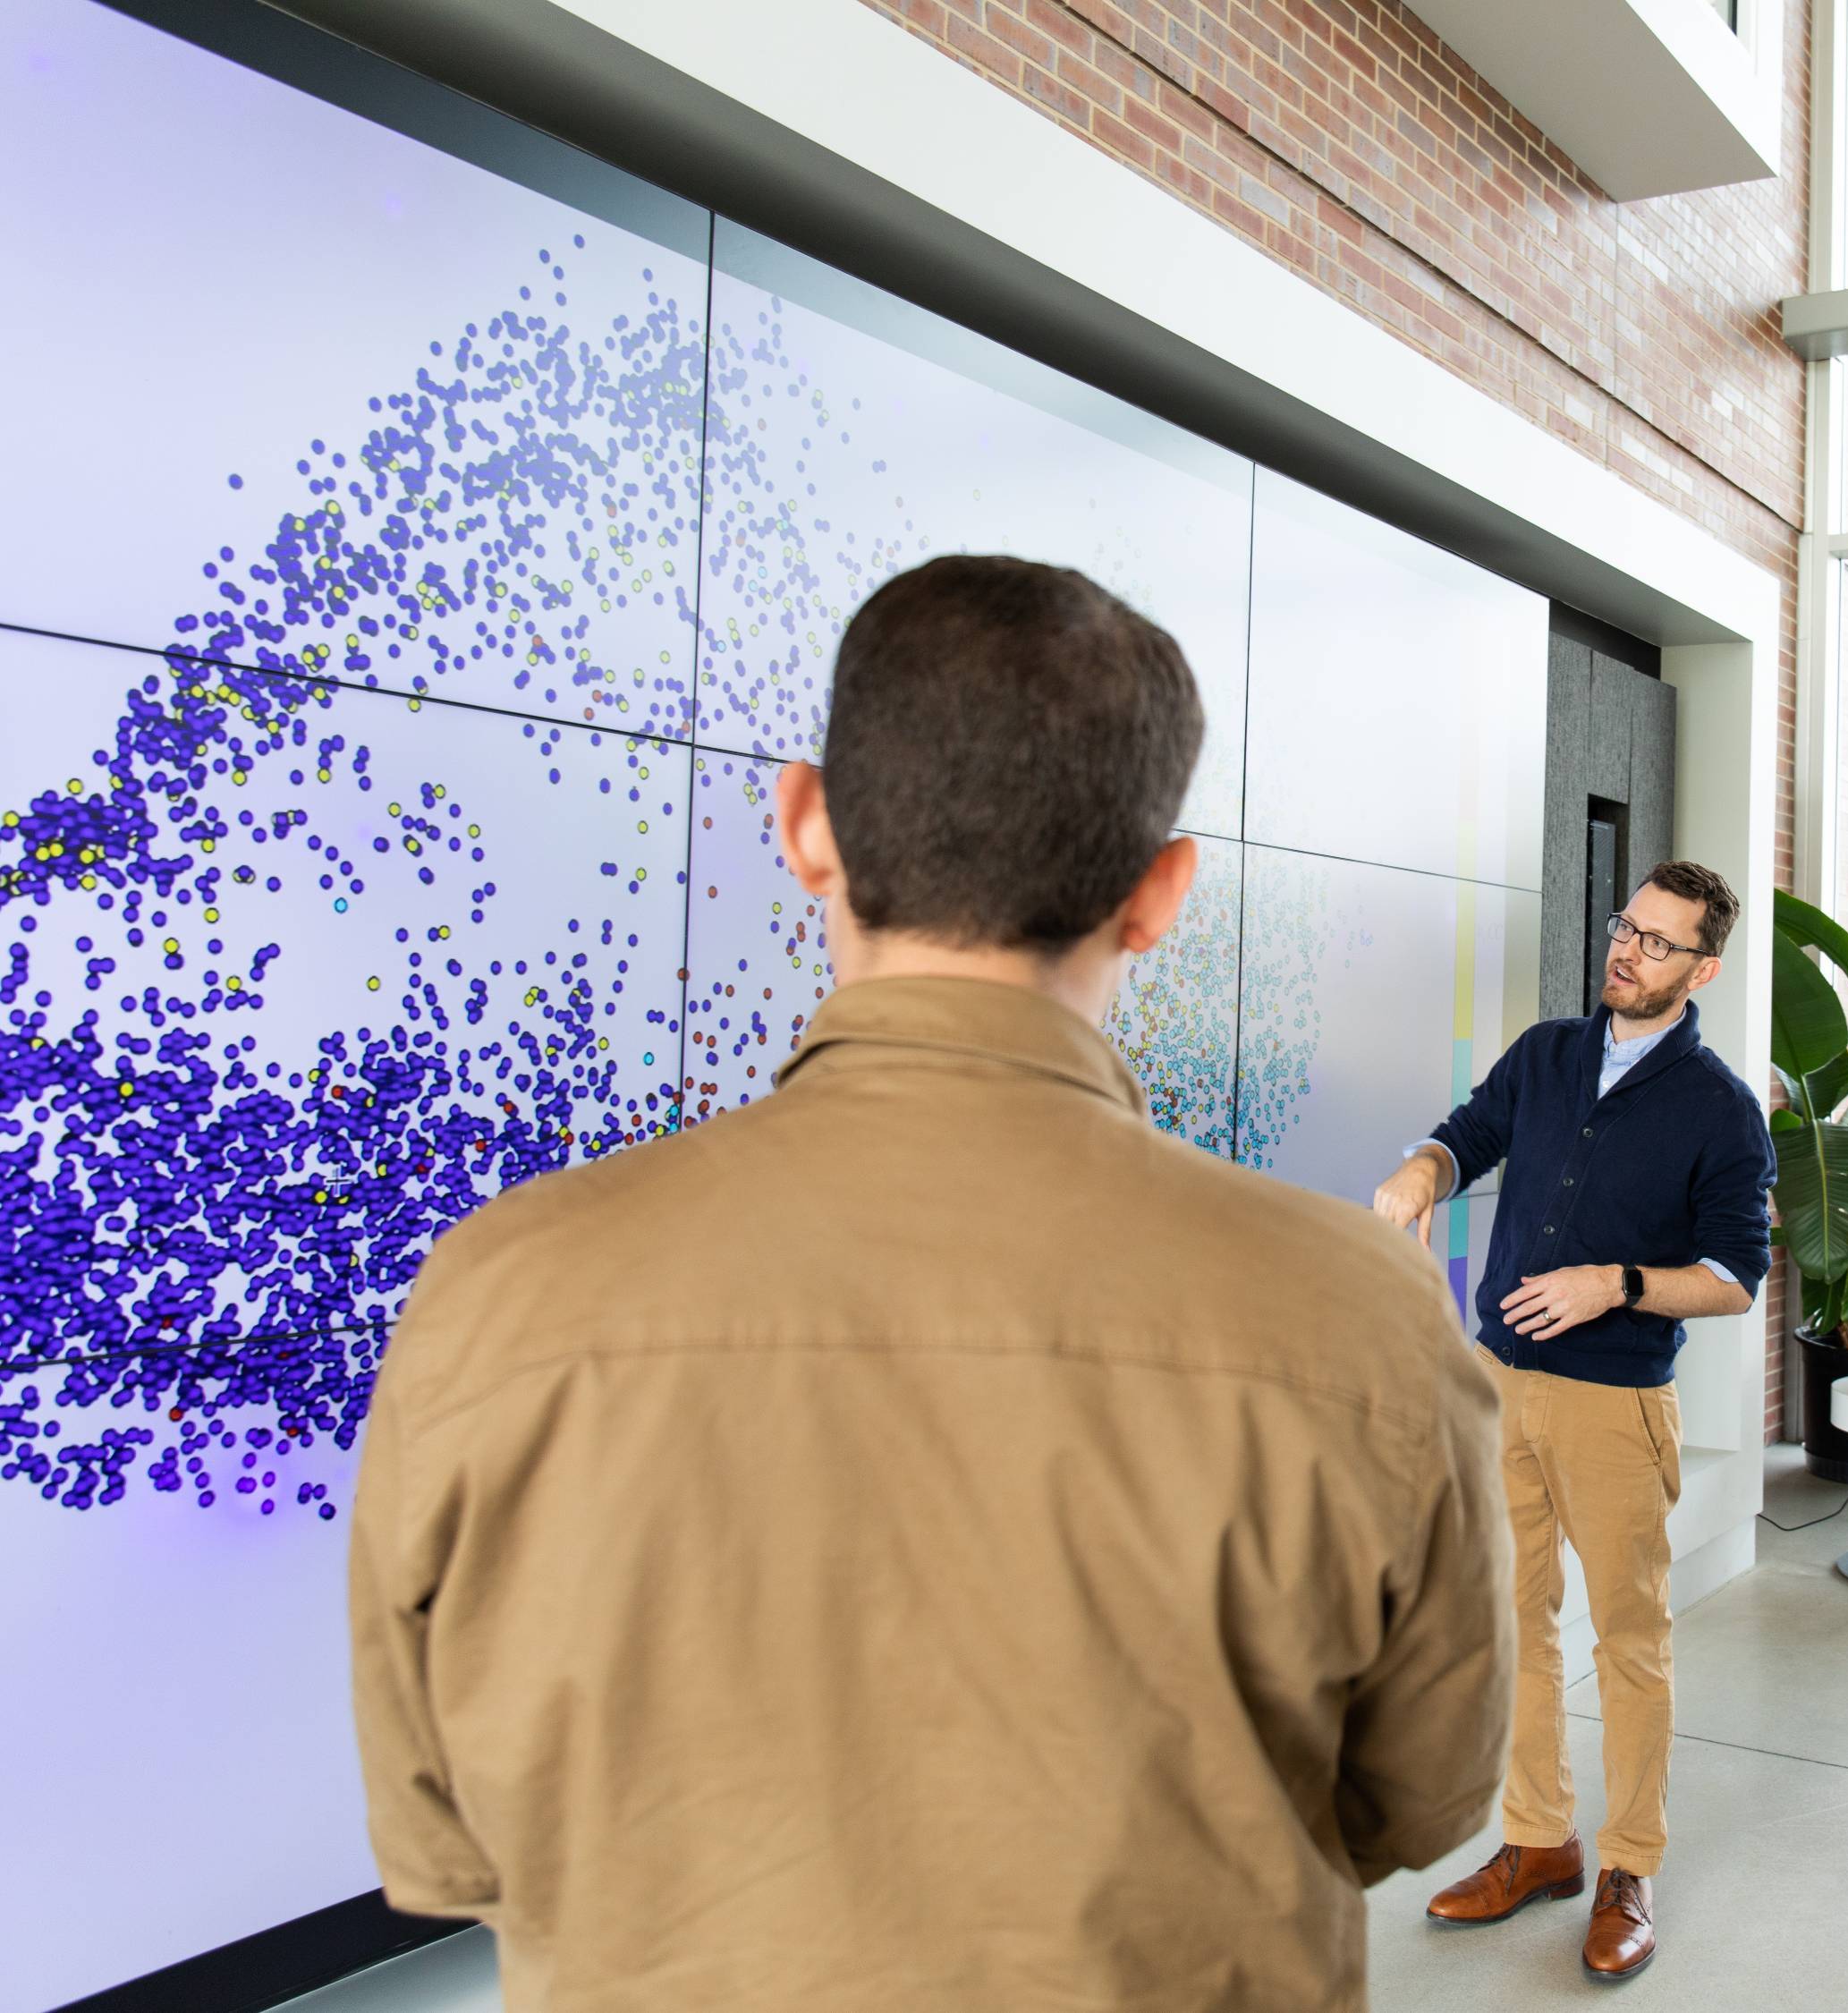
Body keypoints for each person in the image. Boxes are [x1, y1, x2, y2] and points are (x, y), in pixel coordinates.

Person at [349, 556, 1513, 2013]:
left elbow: (444, 1833)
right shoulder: (1366, 1321)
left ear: (807, 829)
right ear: (1159, 897)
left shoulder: (500, 1290)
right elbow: (1423, 1799)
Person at [1373, 862, 1775, 1983]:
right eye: (1624, 928)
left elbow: (1736, 1275)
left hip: (1615, 1403)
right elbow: (1467, 1135)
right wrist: (1418, 1176)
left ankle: (1628, 1867)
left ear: (1704, 968)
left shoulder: (1721, 1110)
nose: (1626, 953)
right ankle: (1537, 1840)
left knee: (1630, 1642)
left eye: (1657, 942)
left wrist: (1620, 1284)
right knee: (1511, 1626)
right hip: (1500, 1384)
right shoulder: (1549, 1052)